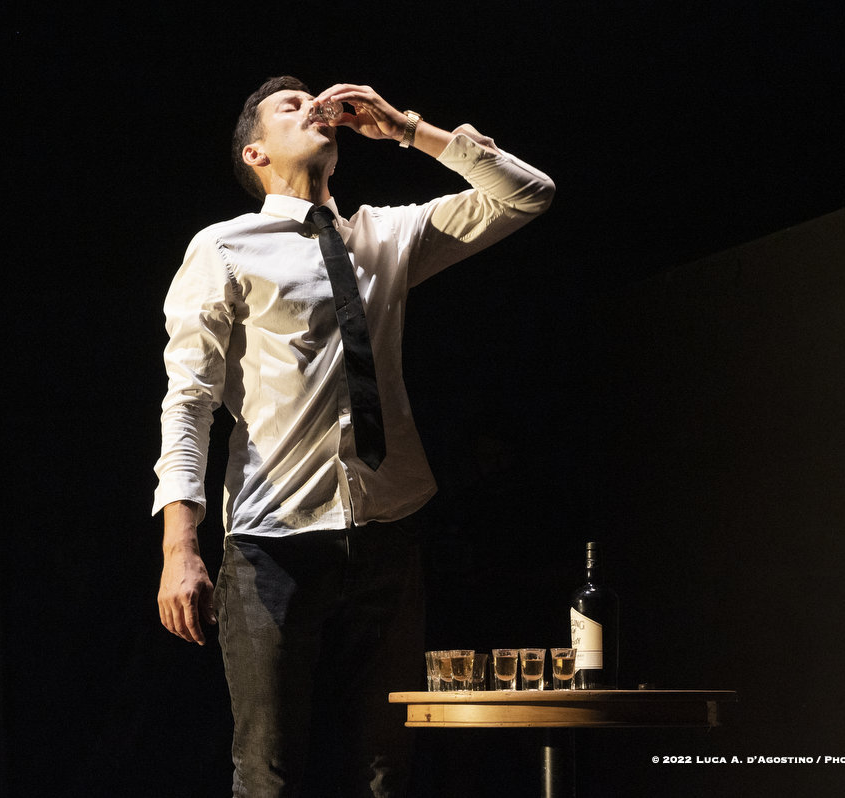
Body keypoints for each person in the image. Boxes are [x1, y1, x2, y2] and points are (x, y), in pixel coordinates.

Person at [153, 76, 555, 797]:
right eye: (289, 105)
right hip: (273, 544)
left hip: (388, 531)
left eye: (315, 98)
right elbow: (189, 400)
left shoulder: (384, 235)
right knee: (269, 773)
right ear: (255, 153)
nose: (313, 106)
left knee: (386, 772)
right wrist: (179, 547)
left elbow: (527, 194)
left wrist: (408, 129)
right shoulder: (224, 247)